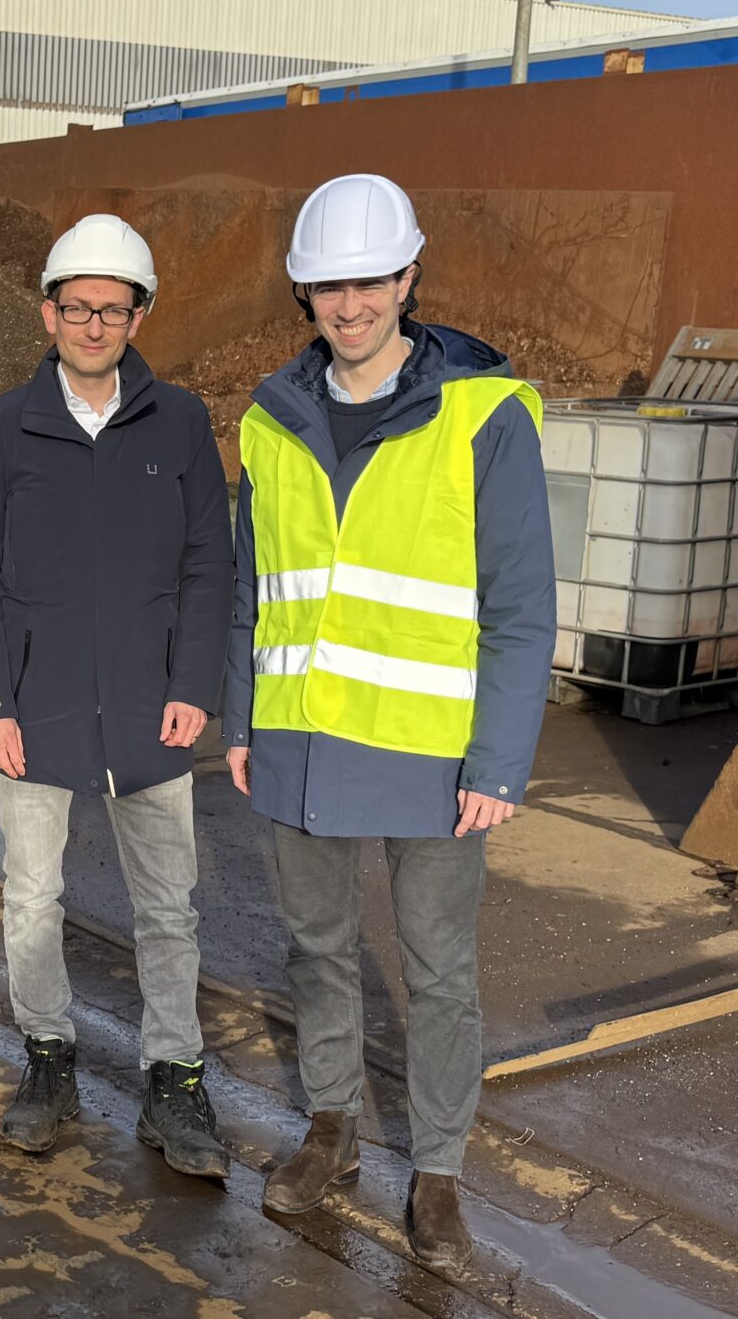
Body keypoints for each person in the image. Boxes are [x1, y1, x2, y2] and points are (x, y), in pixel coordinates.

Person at [223, 173, 554, 1274]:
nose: (351, 304)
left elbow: (520, 603)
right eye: (330, 285)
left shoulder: (483, 415)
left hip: (434, 750)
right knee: (318, 950)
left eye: (371, 281)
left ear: (410, 278)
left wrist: (499, 760)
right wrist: (241, 717)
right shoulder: (270, 420)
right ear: (303, 293)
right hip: (300, 739)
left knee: (438, 970)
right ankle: (332, 1128)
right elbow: (251, 587)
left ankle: (440, 1173)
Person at [0, 215, 234, 1173]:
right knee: (32, 897)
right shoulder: (0, 428)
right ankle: (48, 1059)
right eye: (79, 307)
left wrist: (194, 684)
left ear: (139, 316)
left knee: (169, 906)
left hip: (154, 709)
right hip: (36, 707)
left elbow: (209, 563)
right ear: (49, 312)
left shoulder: (181, 423)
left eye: (114, 309)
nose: (95, 324)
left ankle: (174, 1078)